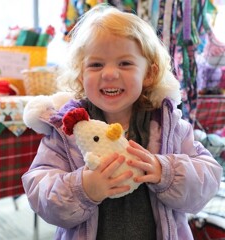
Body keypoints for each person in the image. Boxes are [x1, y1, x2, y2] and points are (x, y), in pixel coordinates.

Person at [22, 4, 223, 240]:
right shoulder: (67, 129)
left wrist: (166, 171)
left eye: (125, 63)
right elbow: (39, 189)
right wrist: (83, 188)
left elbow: (208, 178)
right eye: (96, 64)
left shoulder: (169, 126)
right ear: (80, 75)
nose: (109, 74)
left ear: (148, 73)